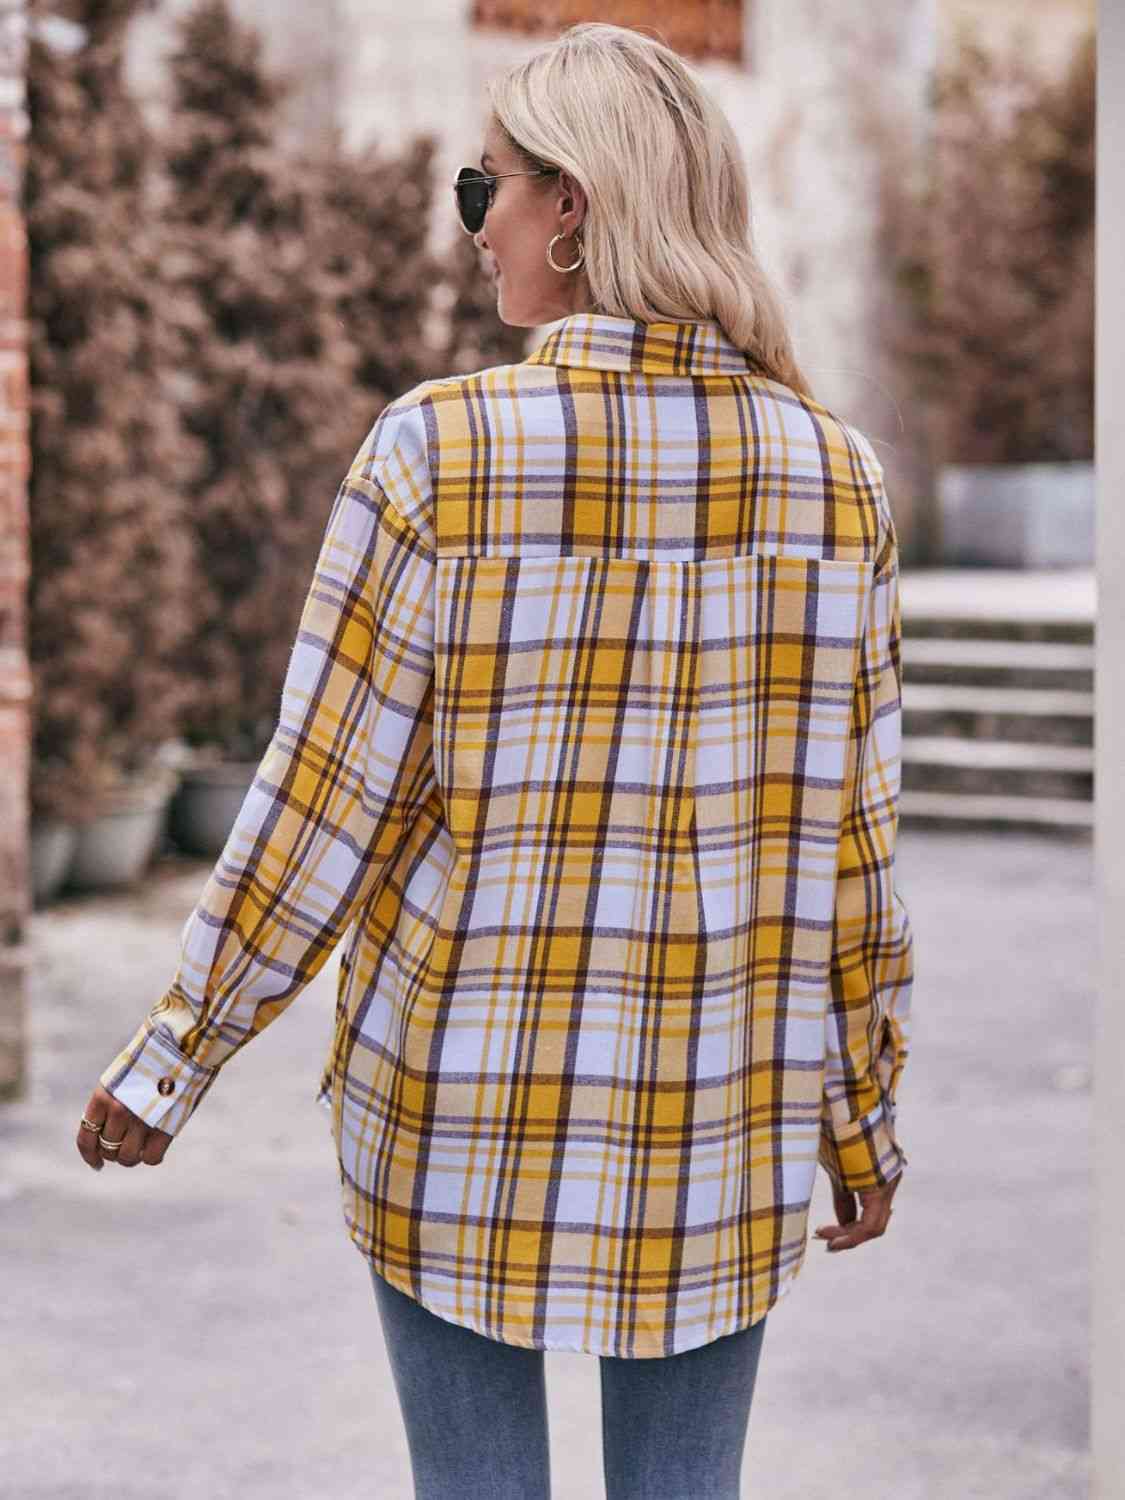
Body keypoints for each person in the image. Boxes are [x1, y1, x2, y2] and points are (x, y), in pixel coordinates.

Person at [76, 21, 913, 1500]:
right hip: (717, 1129)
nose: (473, 229)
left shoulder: (436, 454)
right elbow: (854, 852)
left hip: (460, 1111)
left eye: (487, 189)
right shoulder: (835, 480)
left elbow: (321, 804)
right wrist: (860, 1119)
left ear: (570, 206)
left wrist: (175, 1057)